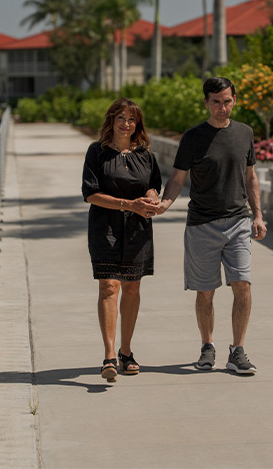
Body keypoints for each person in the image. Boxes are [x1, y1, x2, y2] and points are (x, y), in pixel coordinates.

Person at [155, 77, 267, 375]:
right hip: (202, 225)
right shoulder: (192, 137)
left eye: (227, 101)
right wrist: (165, 203)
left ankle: (238, 351)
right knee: (205, 292)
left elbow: (251, 177)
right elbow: (178, 178)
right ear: (206, 102)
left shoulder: (244, 133)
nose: (222, 107)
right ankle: (207, 346)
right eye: (216, 101)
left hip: (238, 223)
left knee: (242, 285)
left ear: (234, 100)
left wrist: (258, 214)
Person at [82, 98, 161, 382]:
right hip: (105, 228)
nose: (126, 124)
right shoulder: (97, 153)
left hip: (138, 230)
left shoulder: (146, 156)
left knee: (132, 288)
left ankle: (126, 351)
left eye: (132, 119)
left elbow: (153, 185)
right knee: (108, 286)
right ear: (111, 121)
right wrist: (130, 204)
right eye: (121, 118)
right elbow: (90, 193)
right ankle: (109, 356)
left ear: (137, 124)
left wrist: (151, 198)